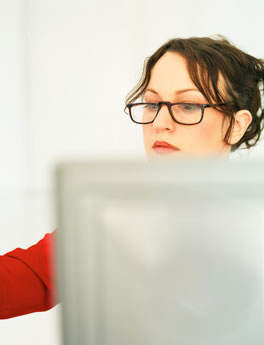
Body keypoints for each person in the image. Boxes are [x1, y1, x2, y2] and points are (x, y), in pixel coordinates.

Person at [1, 34, 263, 319]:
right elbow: (15, 282)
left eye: (188, 106)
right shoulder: (110, 224)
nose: (160, 123)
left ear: (236, 126)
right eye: (152, 104)